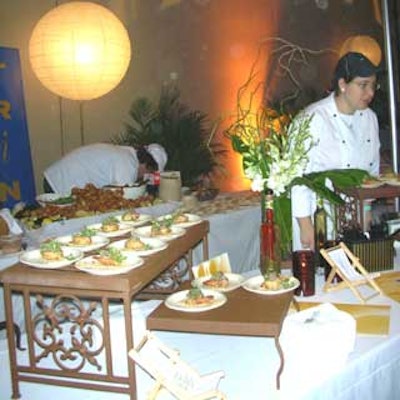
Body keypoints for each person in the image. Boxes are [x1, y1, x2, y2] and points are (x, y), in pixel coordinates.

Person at [291, 52, 381, 252]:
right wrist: (305, 226)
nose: (370, 93)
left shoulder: (370, 119)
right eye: (363, 85)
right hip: (319, 220)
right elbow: (297, 178)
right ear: (342, 84)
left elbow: (370, 174)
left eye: (373, 85)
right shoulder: (312, 118)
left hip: (354, 222)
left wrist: (365, 214)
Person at [43, 143, 168, 194]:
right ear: (146, 165)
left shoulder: (126, 154)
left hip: (56, 176)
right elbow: (123, 198)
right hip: (60, 185)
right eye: (149, 172)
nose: (144, 177)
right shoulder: (128, 164)